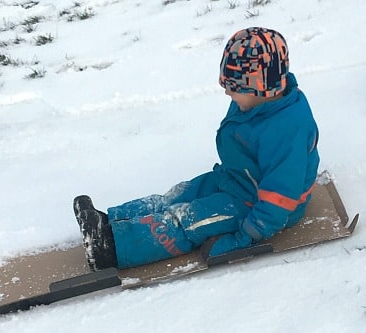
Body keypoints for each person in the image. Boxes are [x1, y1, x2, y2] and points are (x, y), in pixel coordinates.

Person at [74, 27, 320, 270]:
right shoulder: (259, 102)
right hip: (235, 180)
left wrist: (242, 240)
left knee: (187, 220)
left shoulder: (287, 130)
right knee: (178, 194)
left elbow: (278, 200)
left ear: (260, 89)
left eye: (234, 88)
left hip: (258, 207)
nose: (226, 91)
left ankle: (109, 248)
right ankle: (109, 221)